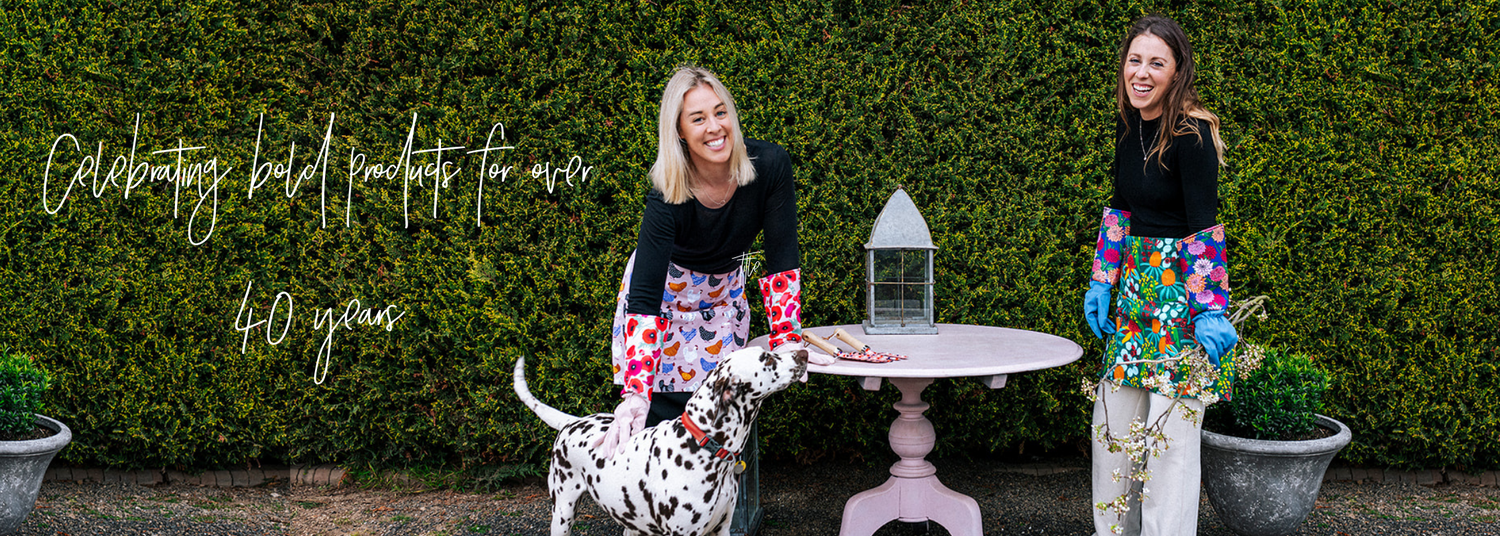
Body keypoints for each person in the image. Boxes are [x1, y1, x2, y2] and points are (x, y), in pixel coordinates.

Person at [597, 64, 832, 457]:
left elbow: (781, 259)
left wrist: (787, 338)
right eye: (698, 118)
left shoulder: (770, 165)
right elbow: (645, 297)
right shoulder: (666, 194)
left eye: (720, 112)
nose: (714, 127)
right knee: (660, 433)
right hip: (664, 307)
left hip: (722, 301)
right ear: (679, 131)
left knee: (723, 425)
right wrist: (636, 392)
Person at [1081, 15, 1239, 536]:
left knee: (1170, 445)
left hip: (1182, 302)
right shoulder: (1130, 127)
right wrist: (1102, 279)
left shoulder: (1193, 135)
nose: (1141, 73)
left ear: (1177, 72)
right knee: (1113, 433)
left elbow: (1204, 228)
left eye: (1156, 63)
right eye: (1135, 60)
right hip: (1133, 297)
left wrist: (1211, 310)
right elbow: (1120, 207)